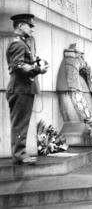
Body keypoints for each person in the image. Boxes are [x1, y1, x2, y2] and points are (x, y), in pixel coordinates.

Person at [6, 14, 48, 164]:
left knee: (22, 123)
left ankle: (20, 153)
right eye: (29, 26)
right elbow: (18, 66)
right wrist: (37, 69)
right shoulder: (17, 43)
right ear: (20, 26)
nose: (32, 29)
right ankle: (19, 154)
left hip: (23, 89)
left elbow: (24, 63)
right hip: (20, 89)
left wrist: (37, 63)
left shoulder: (22, 43)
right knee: (19, 124)